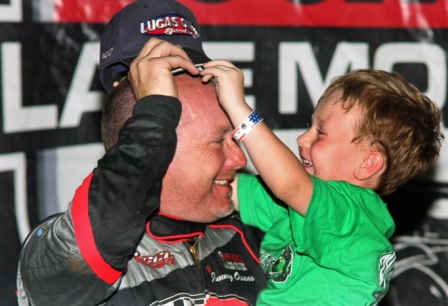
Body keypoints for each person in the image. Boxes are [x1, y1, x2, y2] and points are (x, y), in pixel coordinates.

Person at [16, 1, 266, 305]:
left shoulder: (254, 232)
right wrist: (155, 113)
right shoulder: (62, 247)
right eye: (217, 142)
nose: (240, 159)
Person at [200, 61, 444, 305]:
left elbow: (288, 183)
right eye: (310, 126)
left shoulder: (350, 219)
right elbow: (221, 187)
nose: (302, 138)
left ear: (367, 164)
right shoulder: (300, 208)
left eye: (321, 133)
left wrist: (239, 109)